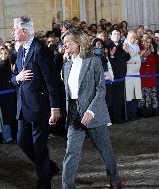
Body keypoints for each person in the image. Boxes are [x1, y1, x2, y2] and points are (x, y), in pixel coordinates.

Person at [61, 28, 122, 189]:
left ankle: (115, 180)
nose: (64, 44)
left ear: (78, 42)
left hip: (93, 112)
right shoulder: (66, 64)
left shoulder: (93, 60)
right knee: (71, 152)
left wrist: (90, 111)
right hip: (74, 112)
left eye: (67, 42)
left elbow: (101, 89)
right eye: (63, 42)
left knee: (105, 151)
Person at [11, 16, 61, 189]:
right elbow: (14, 77)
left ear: (24, 31)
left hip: (40, 106)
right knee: (21, 141)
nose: (13, 32)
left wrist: (54, 107)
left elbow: (51, 81)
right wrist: (17, 78)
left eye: (14, 29)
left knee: (39, 146)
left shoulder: (40, 50)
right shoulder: (20, 51)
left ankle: (44, 183)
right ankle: (49, 167)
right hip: (23, 106)